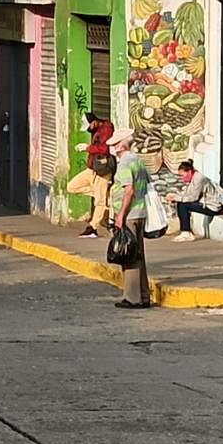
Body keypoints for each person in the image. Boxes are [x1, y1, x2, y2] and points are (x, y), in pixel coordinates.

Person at [109, 128, 152, 309]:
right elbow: (147, 184)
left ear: (121, 145)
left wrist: (120, 215)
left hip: (129, 214)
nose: (112, 148)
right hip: (140, 212)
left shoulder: (125, 163)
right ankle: (143, 295)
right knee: (138, 254)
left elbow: (129, 190)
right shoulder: (138, 161)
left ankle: (132, 297)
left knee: (129, 256)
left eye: (113, 144)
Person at [67, 112, 116, 238]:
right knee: (72, 186)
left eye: (89, 126)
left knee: (99, 202)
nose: (89, 130)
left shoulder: (106, 129)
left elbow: (104, 149)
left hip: (102, 170)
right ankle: (103, 197)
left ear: (94, 121)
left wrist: (87, 148)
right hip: (92, 168)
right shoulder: (96, 131)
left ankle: (93, 227)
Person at [165, 160, 223, 241]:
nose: (182, 178)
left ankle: (186, 232)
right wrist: (175, 197)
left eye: (183, 175)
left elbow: (193, 198)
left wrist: (176, 198)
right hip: (205, 203)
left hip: (211, 206)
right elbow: (187, 194)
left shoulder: (199, 178)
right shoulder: (193, 178)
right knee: (182, 203)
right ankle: (186, 232)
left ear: (189, 171)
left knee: (183, 205)